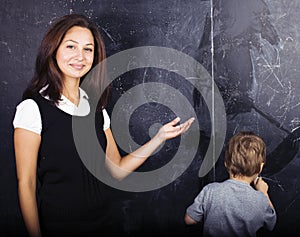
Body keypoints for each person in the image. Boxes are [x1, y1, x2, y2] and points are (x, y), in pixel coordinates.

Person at [13, 14, 194, 237]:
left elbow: (116, 170)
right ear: (53, 50)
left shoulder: (96, 108)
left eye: (88, 49)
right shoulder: (33, 109)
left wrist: (158, 138)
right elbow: (27, 183)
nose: (80, 56)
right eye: (71, 46)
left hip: (107, 223)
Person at [184, 131, 276, 237]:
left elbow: (189, 220)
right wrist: (264, 193)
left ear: (226, 163)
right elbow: (271, 224)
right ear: (260, 167)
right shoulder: (261, 200)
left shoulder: (211, 190)